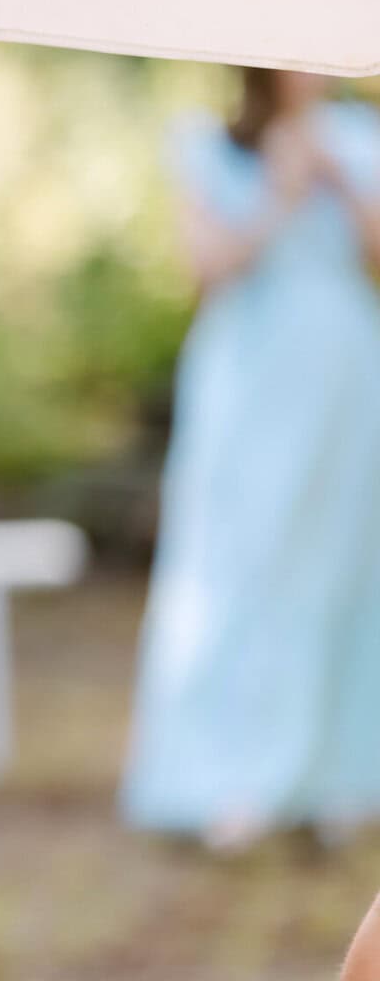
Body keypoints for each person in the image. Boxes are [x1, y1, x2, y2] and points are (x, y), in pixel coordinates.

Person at [120, 68, 380, 850]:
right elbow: (206, 266)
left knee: (340, 563)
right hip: (248, 378)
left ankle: (334, 779)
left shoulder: (362, 137)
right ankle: (222, 781)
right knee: (236, 562)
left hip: (342, 374)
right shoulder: (206, 142)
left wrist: (339, 179)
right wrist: (279, 193)